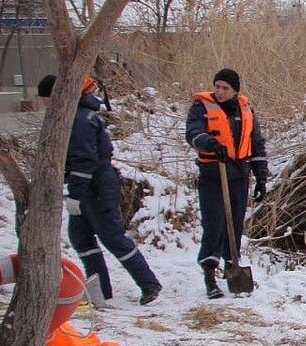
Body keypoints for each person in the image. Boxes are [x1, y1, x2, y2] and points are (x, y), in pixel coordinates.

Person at [37, 74, 162, 306]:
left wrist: (75, 194)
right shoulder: (73, 115)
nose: (44, 104)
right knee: (80, 237)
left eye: (45, 98)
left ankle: (149, 284)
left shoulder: (79, 119)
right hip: (88, 186)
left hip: (96, 186)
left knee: (112, 237)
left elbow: (84, 160)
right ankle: (100, 292)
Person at [185, 68, 268, 299]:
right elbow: (192, 132)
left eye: (225, 88)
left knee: (235, 225)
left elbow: (257, 144)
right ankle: (209, 275)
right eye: (217, 86)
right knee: (214, 224)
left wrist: (261, 178)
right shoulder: (201, 107)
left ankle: (232, 267)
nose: (220, 92)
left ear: (235, 91)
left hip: (239, 175)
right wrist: (210, 143)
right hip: (213, 174)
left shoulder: (246, 110)